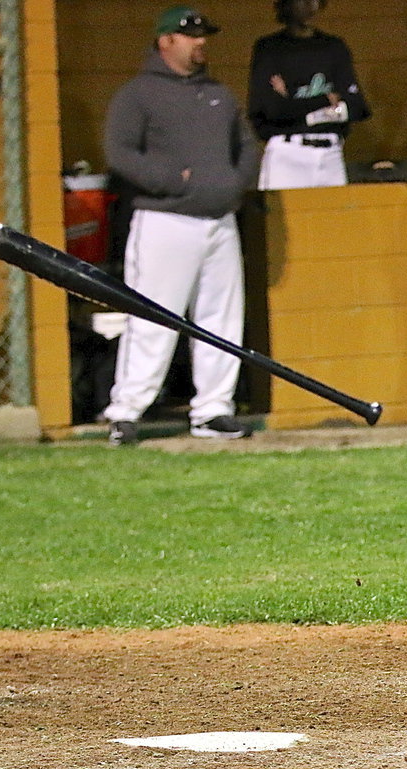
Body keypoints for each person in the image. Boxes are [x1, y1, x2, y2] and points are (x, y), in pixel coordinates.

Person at [102, 5, 260, 446]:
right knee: (153, 317)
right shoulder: (138, 94)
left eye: (203, 35)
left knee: (221, 320)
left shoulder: (218, 93)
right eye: (190, 36)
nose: (201, 42)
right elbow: (120, 153)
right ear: (165, 41)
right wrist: (173, 180)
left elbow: (246, 145)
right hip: (164, 220)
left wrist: (232, 184)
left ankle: (213, 410)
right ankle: (126, 411)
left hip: (219, 219)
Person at [248, 0, 371, 190]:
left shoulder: (333, 47)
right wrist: (324, 101)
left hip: (331, 153)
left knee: (334, 218)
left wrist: (297, 107)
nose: (310, 6)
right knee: (285, 219)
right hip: (287, 154)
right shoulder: (269, 48)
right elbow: (270, 111)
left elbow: (358, 107)